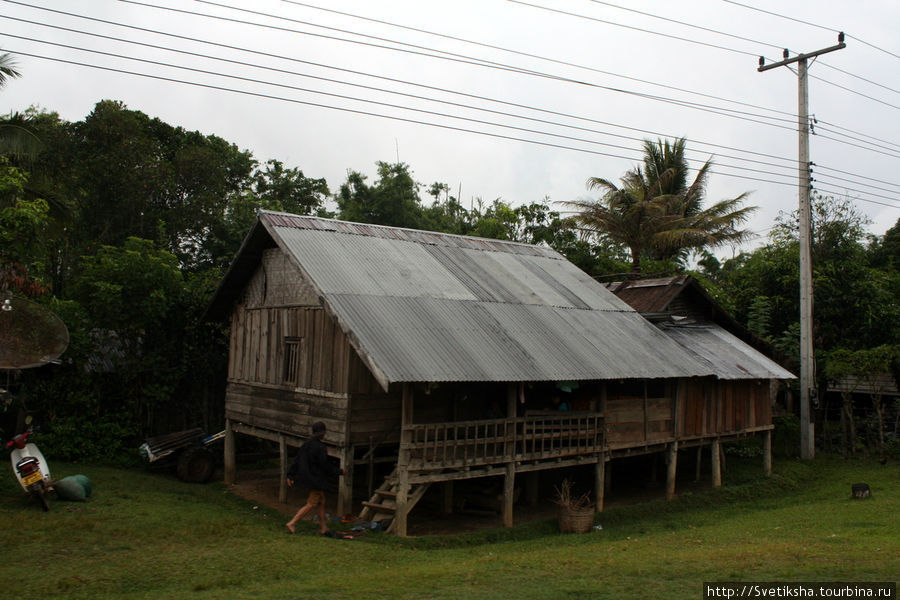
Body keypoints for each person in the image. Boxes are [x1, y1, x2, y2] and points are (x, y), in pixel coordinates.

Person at [284, 421, 345, 535]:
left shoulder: (306, 444)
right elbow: (325, 465)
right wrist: (339, 471)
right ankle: (292, 523)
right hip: (316, 479)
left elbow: (297, 460)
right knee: (311, 504)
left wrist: (290, 474)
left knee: (321, 503)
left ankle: (323, 528)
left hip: (308, 477)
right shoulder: (320, 447)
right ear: (322, 433)